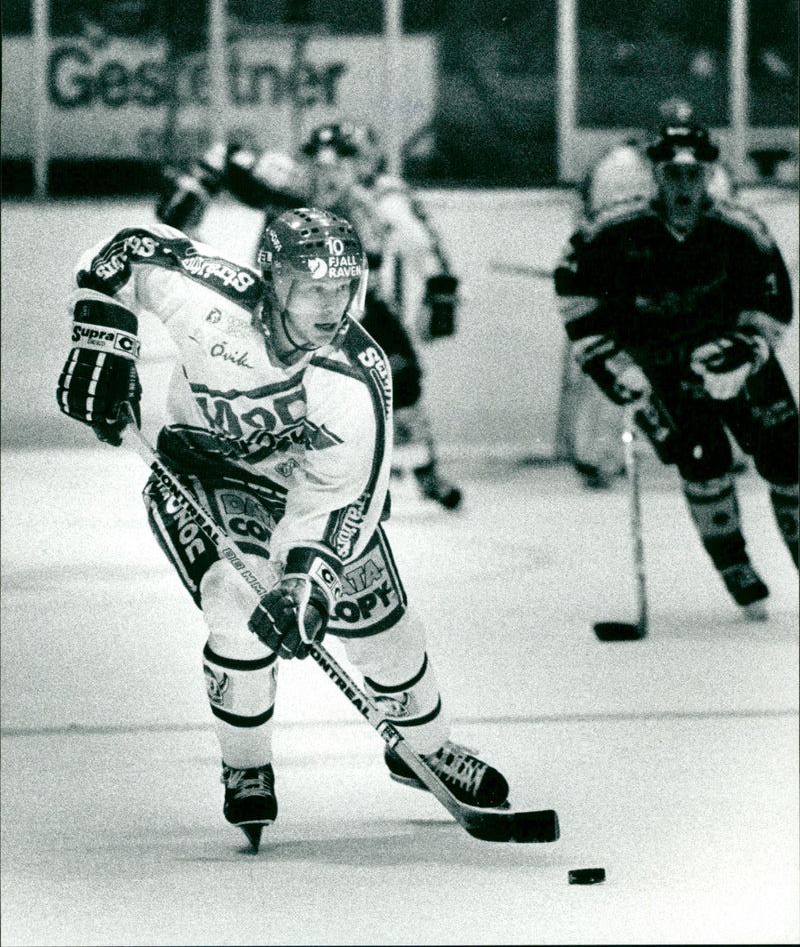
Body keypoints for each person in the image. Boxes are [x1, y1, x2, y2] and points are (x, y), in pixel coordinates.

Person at [56, 207, 509, 851]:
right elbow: (126, 247)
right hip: (201, 471)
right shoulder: (211, 296)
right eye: (312, 286)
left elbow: (342, 496)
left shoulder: (355, 373)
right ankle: (245, 763)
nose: (331, 305)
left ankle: (425, 750)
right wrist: (102, 335)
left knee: (388, 628)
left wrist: (307, 585)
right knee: (236, 604)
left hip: (304, 494)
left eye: (342, 287)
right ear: (273, 279)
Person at [554, 119, 798, 621]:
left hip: (733, 360)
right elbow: (573, 286)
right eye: (672, 173)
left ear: (709, 173)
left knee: (790, 462)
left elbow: (774, 301)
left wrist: (747, 350)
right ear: (655, 174)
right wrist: (607, 362)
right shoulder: (612, 230)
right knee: (702, 461)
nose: (684, 185)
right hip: (663, 372)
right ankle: (736, 568)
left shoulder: (742, 229)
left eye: (694, 173)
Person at [156, 122, 463, 510]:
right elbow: (224, 155)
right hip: (285, 304)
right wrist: (194, 188)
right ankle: (267, 467)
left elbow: (421, 242)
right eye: (320, 164)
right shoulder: (290, 179)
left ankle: (414, 469)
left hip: (355, 304)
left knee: (397, 378)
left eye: (342, 163)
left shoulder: (382, 197)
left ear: (365, 163)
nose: (329, 174)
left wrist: (440, 290)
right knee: (284, 384)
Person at [564, 99, 736, 488]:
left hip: (686, 290)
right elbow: (591, 225)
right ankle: (598, 454)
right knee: (613, 365)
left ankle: (718, 448)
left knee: (711, 362)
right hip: (627, 289)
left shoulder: (711, 173)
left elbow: (724, 230)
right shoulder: (615, 168)